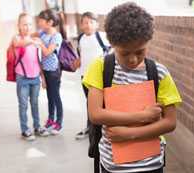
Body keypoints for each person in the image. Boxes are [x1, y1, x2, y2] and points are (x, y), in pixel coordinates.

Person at [83, 2, 182, 172]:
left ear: (148, 42)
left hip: (151, 165)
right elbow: (95, 114)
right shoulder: (100, 68)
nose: (133, 59)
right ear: (112, 44)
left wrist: (129, 134)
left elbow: (170, 122)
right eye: (124, 53)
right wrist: (142, 116)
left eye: (140, 52)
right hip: (113, 165)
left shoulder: (159, 73)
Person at [12, 13, 49, 141]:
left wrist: (42, 78)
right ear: (19, 26)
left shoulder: (36, 41)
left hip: (35, 78)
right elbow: (20, 43)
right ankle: (24, 130)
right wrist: (34, 41)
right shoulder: (16, 38)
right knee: (23, 105)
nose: (27, 27)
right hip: (22, 78)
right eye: (24, 24)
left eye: (29, 24)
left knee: (35, 103)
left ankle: (37, 127)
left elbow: (39, 61)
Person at [75, 12, 110, 140]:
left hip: (100, 78)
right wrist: (78, 61)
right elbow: (81, 54)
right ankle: (90, 129)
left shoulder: (101, 37)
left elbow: (111, 51)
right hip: (85, 77)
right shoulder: (80, 38)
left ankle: (104, 128)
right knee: (89, 103)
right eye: (85, 22)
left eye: (91, 22)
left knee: (102, 104)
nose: (88, 25)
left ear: (97, 24)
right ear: (81, 25)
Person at [34, 9, 64, 135]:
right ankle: (51, 119)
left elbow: (47, 52)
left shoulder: (56, 36)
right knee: (49, 97)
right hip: (45, 70)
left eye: (41, 21)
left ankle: (59, 122)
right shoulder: (42, 33)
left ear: (50, 22)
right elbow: (31, 36)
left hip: (53, 70)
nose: (39, 23)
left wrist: (40, 44)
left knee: (56, 96)